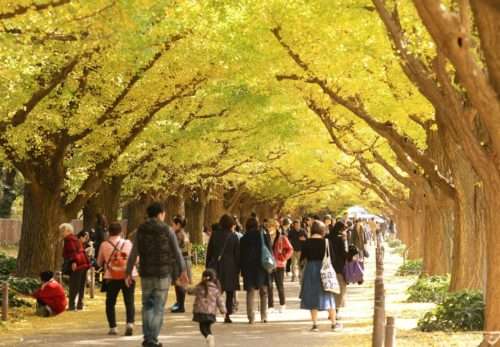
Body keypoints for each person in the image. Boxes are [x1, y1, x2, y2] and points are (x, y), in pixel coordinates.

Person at [126, 202, 188, 347]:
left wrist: (128, 271)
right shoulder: (167, 230)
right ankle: (152, 339)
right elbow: (177, 252)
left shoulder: (141, 229)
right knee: (158, 306)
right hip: (163, 273)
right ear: (160, 213)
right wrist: (183, 270)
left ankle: (148, 338)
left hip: (146, 273)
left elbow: (134, 252)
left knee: (147, 305)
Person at [97, 222, 137, 336]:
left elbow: (99, 262)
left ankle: (113, 327)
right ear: (121, 232)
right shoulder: (128, 243)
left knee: (110, 302)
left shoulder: (104, 244)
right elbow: (136, 259)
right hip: (128, 276)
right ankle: (129, 324)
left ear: (109, 232)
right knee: (129, 301)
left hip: (111, 277)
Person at [300, 221, 339, 332]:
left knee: (313, 297)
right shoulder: (326, 242)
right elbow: (333, 258)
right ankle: (334, 323)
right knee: (328, 295)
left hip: (311, 270)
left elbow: (302, 259)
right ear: (322, 230)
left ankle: (315, 325)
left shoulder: (307, 242)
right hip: (324, 270)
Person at [206, 214, 240, 323]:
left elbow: (209, 252)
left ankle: (212, 313)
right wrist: (238, 269)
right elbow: (237, 254)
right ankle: (227, 315)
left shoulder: (214, 235)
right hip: (231, 267)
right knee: (230, 292)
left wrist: (207, 266)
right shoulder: (233, 236)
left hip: (216, 266)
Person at [240, 217, 271, 324]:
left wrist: (241, 269)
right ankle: (264, 316)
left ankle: (251, 317)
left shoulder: (243, 239)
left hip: (248, 268)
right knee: (264, 292)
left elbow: (240, 256)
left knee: (250, 292)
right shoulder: (263, 236)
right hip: (261, 266)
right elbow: (269, 251)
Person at [187, 268, 225, 347]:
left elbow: (190, 291)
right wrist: (223, 309)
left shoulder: (199, 287)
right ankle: (210, 339)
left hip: (201, 312)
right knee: (207, 327)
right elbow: (220, 301)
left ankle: (209, 337)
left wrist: (184, 287)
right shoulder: (216, 289)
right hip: (211, 313)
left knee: (202, 328)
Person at [61, 223, 91, 311]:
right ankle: (80, 304)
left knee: (74, 284)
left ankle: (71, 306)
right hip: (83, 263)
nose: (61, 233)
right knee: (81, 285)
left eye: (63, 231)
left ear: (68, 231)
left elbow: (72, 251)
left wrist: (73, 262)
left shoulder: (69, 239)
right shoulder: (75, 238)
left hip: (78, 263)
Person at [327, 219, 348, 318]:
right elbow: (343, 253)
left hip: (327, 266)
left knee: (329, 289)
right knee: (340, 289)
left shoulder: (327, 237)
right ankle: (336, 311)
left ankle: (330, 311)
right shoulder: (340, 239)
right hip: (338, 268)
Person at [271, 219, 293, 313]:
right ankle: (270, 306)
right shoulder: (265, 237)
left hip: (279, 265)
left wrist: (283, 257)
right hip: (268, 265)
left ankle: (282, 304)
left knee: (280, 285)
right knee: (269, 286)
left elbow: (290, 249)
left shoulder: (282, 238)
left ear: (276, 228)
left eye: (271, 227)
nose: (269, 229)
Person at [171, 215, 192, 314]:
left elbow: (175, 249)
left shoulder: (178, 235)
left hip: (180, 261)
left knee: (180, 284)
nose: (172, 226)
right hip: (184, 260)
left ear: (178, 224)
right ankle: (179, 304)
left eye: (173, 224)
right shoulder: (182, 233)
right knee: (179, 283)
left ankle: (181, 305)